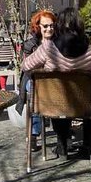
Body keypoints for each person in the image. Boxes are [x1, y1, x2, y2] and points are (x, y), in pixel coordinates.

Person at [21, 7, 91, 159]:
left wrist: (45, 67)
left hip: (53, 104)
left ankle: (62, 145)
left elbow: (25, 66)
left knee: (59, 96)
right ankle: (87, 146)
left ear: (58, 26)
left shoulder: (48, 48)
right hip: (83, 105)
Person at [16, 10, 56, 151]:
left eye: (51, 25)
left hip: (55, 82)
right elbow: (26, 68)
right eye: (45, 26)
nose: (49, 29)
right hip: (34, 80)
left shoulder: (59, 42)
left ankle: (63, 132)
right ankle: (33, 133)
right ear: (37, 27)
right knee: (35, 90)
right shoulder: (30, 44)